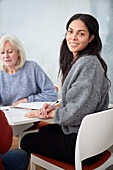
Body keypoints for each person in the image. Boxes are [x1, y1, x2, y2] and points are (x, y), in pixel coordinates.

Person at [20, 13, 110, 165]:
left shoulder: (88, 64)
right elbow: (78, 99)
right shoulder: (83, 61)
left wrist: (45, 114)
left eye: (81, 33)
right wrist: (55, 106)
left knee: (27, 140)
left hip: (83, 146)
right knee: (44, 131)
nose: (73, 37)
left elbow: (76, 113)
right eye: (70, 31)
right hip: (87, 138)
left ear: (91, 38)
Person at [0, 34, 58, 106]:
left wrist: (28, 100)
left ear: (19, 52)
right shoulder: (1, 74)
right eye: (2, 53)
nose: (6, 56)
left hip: (31, 114)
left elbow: (52, 94)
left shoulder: (32, 67)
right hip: (7, 115)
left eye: (10, 52)